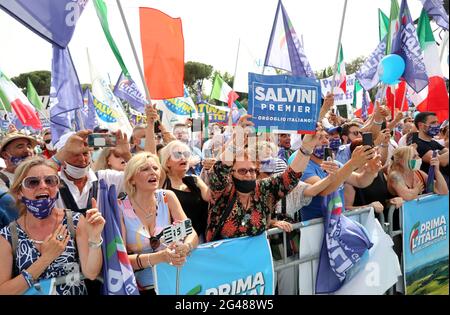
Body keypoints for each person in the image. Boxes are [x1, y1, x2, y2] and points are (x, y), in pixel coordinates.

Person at [205, 115, 322, 242]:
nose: (248, 175)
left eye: (252, 170)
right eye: (242, 171)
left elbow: (290, 177)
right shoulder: (223, 192)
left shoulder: (263, 190)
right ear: (231, 173)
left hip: (256, 259)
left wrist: (307, 147)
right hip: (223, 259)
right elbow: (218, 172)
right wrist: (236, 143)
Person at [0, 157, 105, 295]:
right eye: (33, 182)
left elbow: (91, 273)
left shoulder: (74, 221)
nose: (43, 186)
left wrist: (95, 237)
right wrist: (46, 258)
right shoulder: (8, 235)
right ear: (19, 192)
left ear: (57, 187)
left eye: (50, 181)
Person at [119, 152, 198, 294]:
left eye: (155, 168)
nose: (153, 173)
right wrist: (159, 257)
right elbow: (121, 259)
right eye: (144, 169)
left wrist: (185, 247)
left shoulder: (167, 197)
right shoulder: (120, 207)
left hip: (172, 281)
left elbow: (190, 232)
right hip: (137, 287)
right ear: (132, 179)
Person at [299, 130, 381, 222]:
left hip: (337, 224)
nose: (325, 141)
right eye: (319, 138)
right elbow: (323, 191)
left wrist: (370, 171)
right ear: (307, 141)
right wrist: (352, 163)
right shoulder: (304, 167)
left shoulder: (335, 164)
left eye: (326, 137)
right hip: (316, 228)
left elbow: (360, 181)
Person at [159, 140, 210, 242]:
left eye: (186, 154)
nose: (183, 157)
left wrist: (213, 170)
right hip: (175, 242)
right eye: (177, 155)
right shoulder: (162, 182)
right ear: (167, 162)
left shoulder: (194, 179)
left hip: (200, 239)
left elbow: (210, 197)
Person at [412, 112, 449, 186]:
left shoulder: (433, 142)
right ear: (421, 125)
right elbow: (441, 161)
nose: (437, 125)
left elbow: (446, 152)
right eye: (433, 122)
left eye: (437, 122)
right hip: (433, 186)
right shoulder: (417, 144)